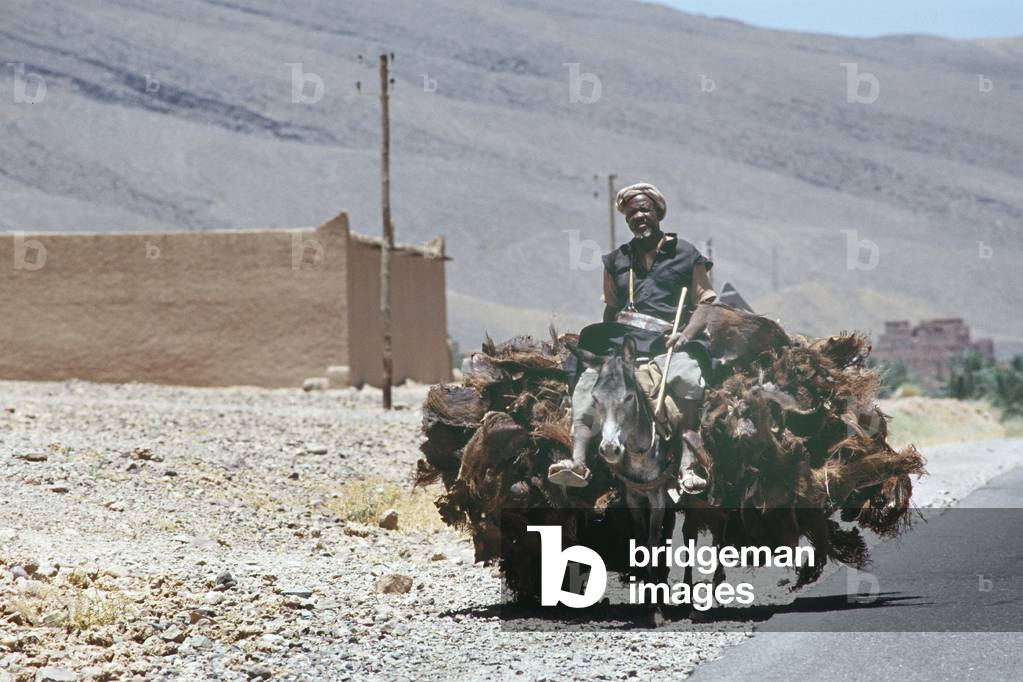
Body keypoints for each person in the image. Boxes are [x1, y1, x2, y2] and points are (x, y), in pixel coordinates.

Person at [548, 182, 715, 494]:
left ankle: (688, 465)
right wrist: (605, 348)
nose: (639, 215)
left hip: (668, 337)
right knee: (588, 382)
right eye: (631, 212)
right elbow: (611, 310)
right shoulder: (616, 260)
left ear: (657, 212)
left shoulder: (686, 254)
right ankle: (579, 460)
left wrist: (685, 335)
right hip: (623, 338)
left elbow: (705, 303)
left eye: (644, 209)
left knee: (689, 378)